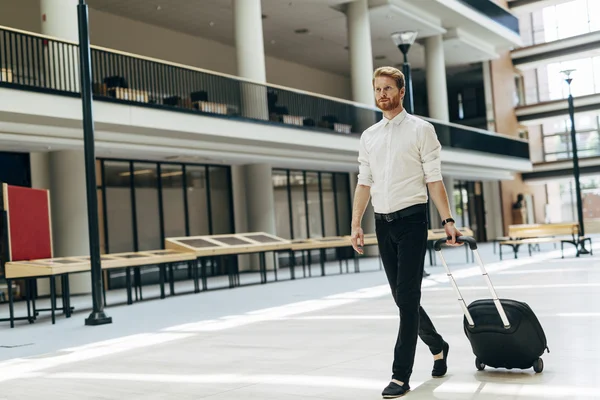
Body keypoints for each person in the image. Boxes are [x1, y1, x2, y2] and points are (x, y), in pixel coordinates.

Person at [350, 66, 462, 398]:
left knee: (409, 296)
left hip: (413, 221)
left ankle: (400, 375)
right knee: (402, 299)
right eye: (377, 89)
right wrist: (356, 223)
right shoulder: (369, 136)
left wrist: (447, 221)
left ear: (401, 92)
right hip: (382, 223)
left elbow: (434, 179)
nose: (382, 94)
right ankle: (438, 344)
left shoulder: (421, 130)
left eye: (388, 88)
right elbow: (364, 183)